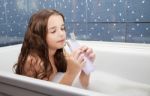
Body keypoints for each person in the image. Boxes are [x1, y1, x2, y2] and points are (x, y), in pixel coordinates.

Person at [14, 9, 95, 89]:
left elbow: (83, 87)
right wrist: (71, 73)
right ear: (39, 37)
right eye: (53, 31)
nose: (61, 34)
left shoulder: (61, 53)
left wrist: (86, 65)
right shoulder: (33, 62)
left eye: (62, 28)